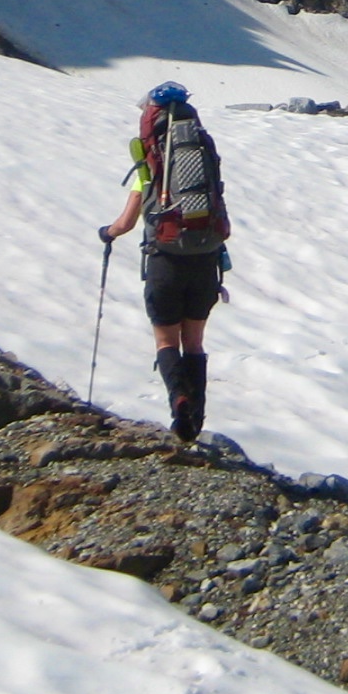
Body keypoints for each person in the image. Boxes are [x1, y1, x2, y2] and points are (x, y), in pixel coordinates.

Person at [99, 81, 230, 441]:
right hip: (205, 259)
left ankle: (180, 402)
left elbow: (126, 222)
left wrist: (107, 233)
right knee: (195, 343)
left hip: (165, 258)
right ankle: (197, 419)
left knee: (166, 341)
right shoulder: (203, 151)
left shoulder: (152, 159)